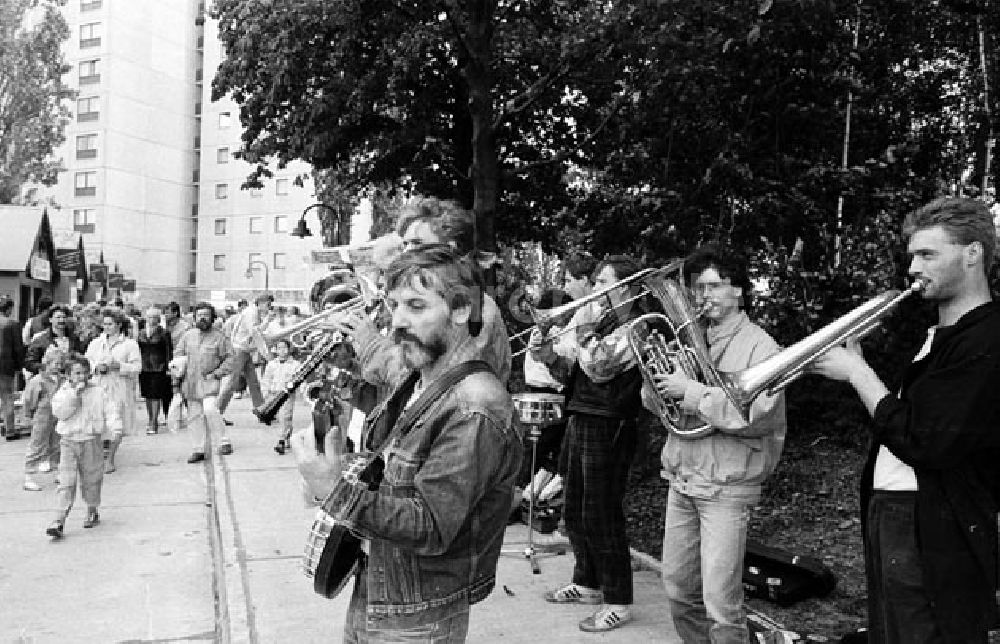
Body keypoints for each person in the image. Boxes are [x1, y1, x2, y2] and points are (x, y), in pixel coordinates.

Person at [294, 244, 522, 642]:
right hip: (379, 589)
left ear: (461, 311)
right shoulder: (418, 377)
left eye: (416, 306)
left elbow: (430, 526)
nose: (397, 322)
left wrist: (335, 491)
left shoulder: (475, 409)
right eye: (394, 304)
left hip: (420, 618)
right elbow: (388, 468)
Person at [812, 196, 1000, 642]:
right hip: (899, 514)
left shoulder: (987, 338)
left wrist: (857, 373)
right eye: (912, 255)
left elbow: (925, 441)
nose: (913, 267)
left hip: (933, 526)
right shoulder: (942, 336)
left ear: (973, 253)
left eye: (928, 254)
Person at [647, 246, 786, 642]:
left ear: (739, 291)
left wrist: (691, 392)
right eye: (698, 288)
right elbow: (662, 408)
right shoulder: (688, 340)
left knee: (721, 605)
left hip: (727, 487)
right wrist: (655, 380)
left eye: (716, 286)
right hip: (683, 478)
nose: (705, 296)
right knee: (676, 590)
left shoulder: (762, 346)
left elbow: (759, 415)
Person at [530, 255, 650, 633]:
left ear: (627, 288)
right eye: (596, 283)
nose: (596, 290)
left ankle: (618, 599)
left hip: (611, 424)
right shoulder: (602, 322)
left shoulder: (640, 327)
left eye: (604, 283)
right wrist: (547, 355)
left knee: (602, 513)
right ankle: (587, 582)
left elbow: (600, 365)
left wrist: (580, 330)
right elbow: (575, 372)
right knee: (577, 509)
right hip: (581, 416)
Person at [46, 354, 121, 538]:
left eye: (85, 373)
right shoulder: (63, 393)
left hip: (91, 439)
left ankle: (92, 509)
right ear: (68, 375)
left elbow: (110, 409)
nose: (81, 377)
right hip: (69, 441)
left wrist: (115, 427)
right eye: (77, 373)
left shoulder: (98, 391)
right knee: (66, 481)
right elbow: (60, 413)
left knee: (92, 478)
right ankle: (59, 519)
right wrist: (74, 395)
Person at [174, 302, 235, 463]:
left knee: (209, 410)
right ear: (194, 318)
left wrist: (217, 373)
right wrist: (177, 369)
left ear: (212, 318)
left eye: (206, 315)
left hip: (210, 382)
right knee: (194, 416)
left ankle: (223, 441)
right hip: (190, 382)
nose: (202, 318)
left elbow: (230, 359)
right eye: (199, 315)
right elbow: (178, 353)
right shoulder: (188, 335)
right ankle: (198, 449)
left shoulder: (220, 337)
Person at [85, 308, 142, 473]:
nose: (107, 327)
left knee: (116, 424)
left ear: (118, 325)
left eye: (110, 324)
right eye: (105, 324)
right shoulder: (96, 343)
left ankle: (110, 459)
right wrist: (97, 367)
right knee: (97, 422)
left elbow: (137, 367)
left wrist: (119, 366)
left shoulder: (130, 344)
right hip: (98, 386)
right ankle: (99, 456)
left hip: (119, 388)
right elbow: (86, 362)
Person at [216, 293, 272, 424]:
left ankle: (261, 409)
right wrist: (266, 354)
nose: (269, 308)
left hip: (243, 349)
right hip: (240, 350)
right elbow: (255, 333)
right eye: (268, 305)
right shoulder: (251, 313)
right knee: (233, 382)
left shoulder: (252, 312)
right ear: (262, 303)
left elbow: (255, 332)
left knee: (253, 382)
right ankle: (217, 412)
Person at [22, 350, 64, 491]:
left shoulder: (61, 379)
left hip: (57, 416)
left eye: (60, 363)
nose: (58, 366)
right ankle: (29, 475)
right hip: (42, 415)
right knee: (37, 444)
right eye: (55, 363)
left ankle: (57, 469)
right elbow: (29, 400)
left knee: (56, 444)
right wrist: (28, 415)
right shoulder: (38, 381)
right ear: (47, 363)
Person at [260, 338, 300, 455]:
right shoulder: (272, 364)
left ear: (289, 349)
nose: (282, 350)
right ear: (276, 350)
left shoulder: (295, 364)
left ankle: (281, 441)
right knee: (277, 419)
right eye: (279, 348)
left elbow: (300, 380)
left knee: (286, 416)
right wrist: (265, 393)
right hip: (274, 393)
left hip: (288, 394)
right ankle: (286, 436)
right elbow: (266, 379)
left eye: (284, 348)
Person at [136, 307, 173, 435]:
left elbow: (169, 351)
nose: (152, 320)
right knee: (147, 395)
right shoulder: (141, 333)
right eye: (149, 317)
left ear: (158, 319)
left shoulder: (164, 333)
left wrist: (169, 367)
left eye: (154, 317)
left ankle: (154, 421)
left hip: (159, 367)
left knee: (156, 395)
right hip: (144, 367)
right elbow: (138, 349)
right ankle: (150, 418)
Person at [25, 306, 84, 375]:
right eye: (58, 317)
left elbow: (81, 358)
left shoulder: (74, 339)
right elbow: (29, 363)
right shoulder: (40, 340)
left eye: (64, 317)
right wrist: (47, 367)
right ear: (50, 319)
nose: (61, 320)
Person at [0, 296, 25, 440]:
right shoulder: (13, 324)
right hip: (5, 365)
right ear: (9, 309)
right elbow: (18, 348)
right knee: (7, 396)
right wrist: (20, 365)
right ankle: (9, 429)